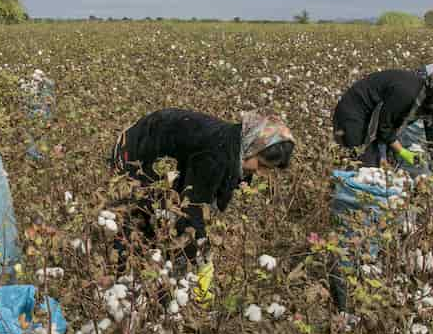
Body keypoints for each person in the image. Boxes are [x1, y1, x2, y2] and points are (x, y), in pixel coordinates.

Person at [108, 108, 295, 266]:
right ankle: (120, 271)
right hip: (136, 149)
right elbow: (193, 209)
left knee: (166, 215)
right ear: (252, 148)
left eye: (268, 169)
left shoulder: (236, 142)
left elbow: (207, 193)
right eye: (261, 165)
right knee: (138, 216)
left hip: (166, 153)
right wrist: (199, 255)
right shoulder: (215, 155)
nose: (262, 173)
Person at [332, 65, 433, 168]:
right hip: (355, 112)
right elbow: (383, 126)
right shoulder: (407, 93)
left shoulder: (432, 101)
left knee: (379, 162)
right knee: (365, 163)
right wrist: (402, 151)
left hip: (374, 118)